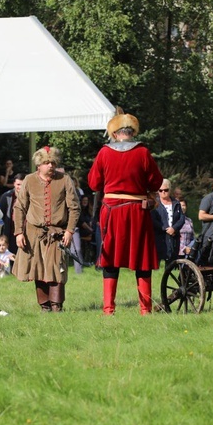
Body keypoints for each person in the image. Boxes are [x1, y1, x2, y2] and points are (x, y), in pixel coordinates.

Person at [88, 112, 163, 315]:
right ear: (132, 132)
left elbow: (94, 183)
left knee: (110, 258)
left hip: (112, 212)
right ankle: (145, 309)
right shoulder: (143, 153)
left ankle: (108, 309)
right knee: (142, 259)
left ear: (114, 133)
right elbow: (156, 182)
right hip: (137, 211)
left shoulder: (104, 153)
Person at [13, 146, 79, 312]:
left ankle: (57, 305)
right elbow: (19, 207)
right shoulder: (29, 180)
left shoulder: (65, 180)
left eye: (52, 162)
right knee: (38, 269)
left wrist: (70, 231)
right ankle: (44, 306)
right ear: (38, 165)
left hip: (58, 234)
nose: (50, 165)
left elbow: (74, 208)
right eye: (46, 162)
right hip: (33, 233)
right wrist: (19, 232)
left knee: (57, 268)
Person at [151, 179, 184, 264]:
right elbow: (153, 219)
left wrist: (174, 228)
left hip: (174, 237)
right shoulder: (155, 203)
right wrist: (165, 229)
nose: (163, 192)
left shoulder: (176, 203)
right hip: (159, 237)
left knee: (171, 261)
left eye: (166, 190)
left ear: (170, 190)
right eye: (160, 190)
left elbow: (181, 219)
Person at [0, 173, 25, 255]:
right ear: (14, 184)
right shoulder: (6, 197)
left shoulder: (31, 196)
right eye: (18, 184)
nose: (20, 187)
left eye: (22, 184)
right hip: (10, 230)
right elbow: (1, 214)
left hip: (25, 230)